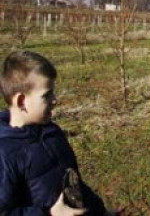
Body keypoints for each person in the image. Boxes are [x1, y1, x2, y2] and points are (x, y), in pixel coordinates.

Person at [0, 50, 107, 215]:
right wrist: (49, 213)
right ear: (21, 101)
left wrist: (100, 211)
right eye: (47, 95)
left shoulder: (52, 132)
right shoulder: (5, 153)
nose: (55, 99)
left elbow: (75, 184)